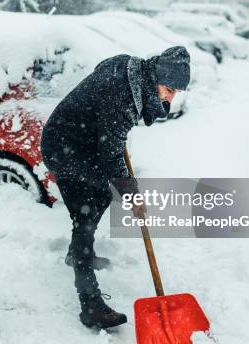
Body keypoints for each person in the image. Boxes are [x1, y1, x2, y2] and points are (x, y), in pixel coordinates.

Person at [40, 46, 191, 329]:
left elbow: (104, 69)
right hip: (64, 148)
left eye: (176, 92)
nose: (171, 96)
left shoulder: (132, 71)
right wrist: (132, 196)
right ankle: (90, 304)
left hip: (84, 144)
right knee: (84, 215)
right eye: (169, 89)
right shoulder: (122, 94)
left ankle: (77, 253)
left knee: (100, 195)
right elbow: (110, 154)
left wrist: (112, 136)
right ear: (156, 75)